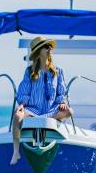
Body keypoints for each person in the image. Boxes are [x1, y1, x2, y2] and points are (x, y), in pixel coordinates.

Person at [10, 36, 73, 165]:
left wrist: (62, 102)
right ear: (39, 53)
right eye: (46, 47)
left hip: (51, 110)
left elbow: (62, 91)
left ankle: (51, 121)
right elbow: (24, 91)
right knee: (17, 116)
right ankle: (16, 152)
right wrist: (21, 105)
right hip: (33, 110)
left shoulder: (58, 71)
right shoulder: (29, 71)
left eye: (50, 46)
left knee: (70, 111)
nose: (49, 48)